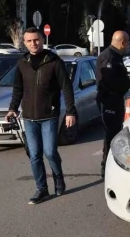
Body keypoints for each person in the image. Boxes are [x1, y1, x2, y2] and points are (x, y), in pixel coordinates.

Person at [7, 27, 77, 204]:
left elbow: (66, 88)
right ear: (24, 43)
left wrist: (70, 111)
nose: (33, 44)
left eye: (36, 40)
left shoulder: (54, 61)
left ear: (42, 39)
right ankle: (42, 189)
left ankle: (59, 178)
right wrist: (12, 108)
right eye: (29, 41)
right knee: (35, 155)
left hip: (49, 115)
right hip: (29, 117)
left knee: (50, 152)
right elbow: (18, 89)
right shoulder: (22, 62)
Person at [97, 31, 130, 178]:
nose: (128, 45)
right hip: (109, 101)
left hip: (115, 99)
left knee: (115, 132)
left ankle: (113, 165)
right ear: (122, 42)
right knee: (111, 135)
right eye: (128, 42)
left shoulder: (115, 56)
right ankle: (107, 168)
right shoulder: (109, 57)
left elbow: (118, 77)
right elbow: (111, 81)